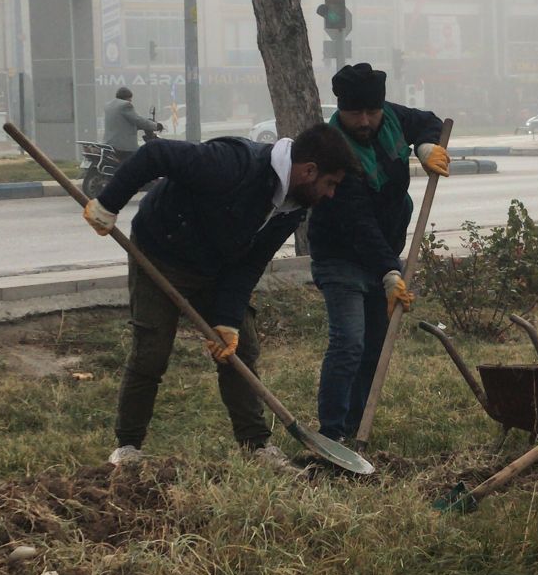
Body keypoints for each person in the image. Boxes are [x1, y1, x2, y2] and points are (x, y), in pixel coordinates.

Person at [84, 123, 357, 467]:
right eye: (330, 184)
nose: (330, 194)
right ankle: (127, 447)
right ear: (309, 171)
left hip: (215, 267)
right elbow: (156, 154)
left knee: (240, 349)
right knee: (151, 351)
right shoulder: (233, 163)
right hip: (159, 253)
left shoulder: (293, 206)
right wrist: (109, 203)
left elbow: (250, 263)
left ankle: (256, 446)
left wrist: (227, 319)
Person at [304, 63, 450, 441]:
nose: (366, 121)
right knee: (349, 342)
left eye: (372, 111)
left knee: (373, 346)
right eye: (356, 113)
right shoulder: (332, 146)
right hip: (341, 255)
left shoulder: (392, 119)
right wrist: (390, 271)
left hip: (384, 250)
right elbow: (358, 222)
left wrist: (425, 145)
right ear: (341, 109)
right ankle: (331, 433)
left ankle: (356, 429)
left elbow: (428, 120)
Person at [103, 87, 162, 162]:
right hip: (124, 146)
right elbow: (138, 120)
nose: (131, 100)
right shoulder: (125, 105)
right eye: (130, 98)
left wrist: (140, 126)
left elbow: (122, 123)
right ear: (126, 97)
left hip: (109, 143)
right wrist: (156, 126)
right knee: (139, 160)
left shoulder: (109, 105)